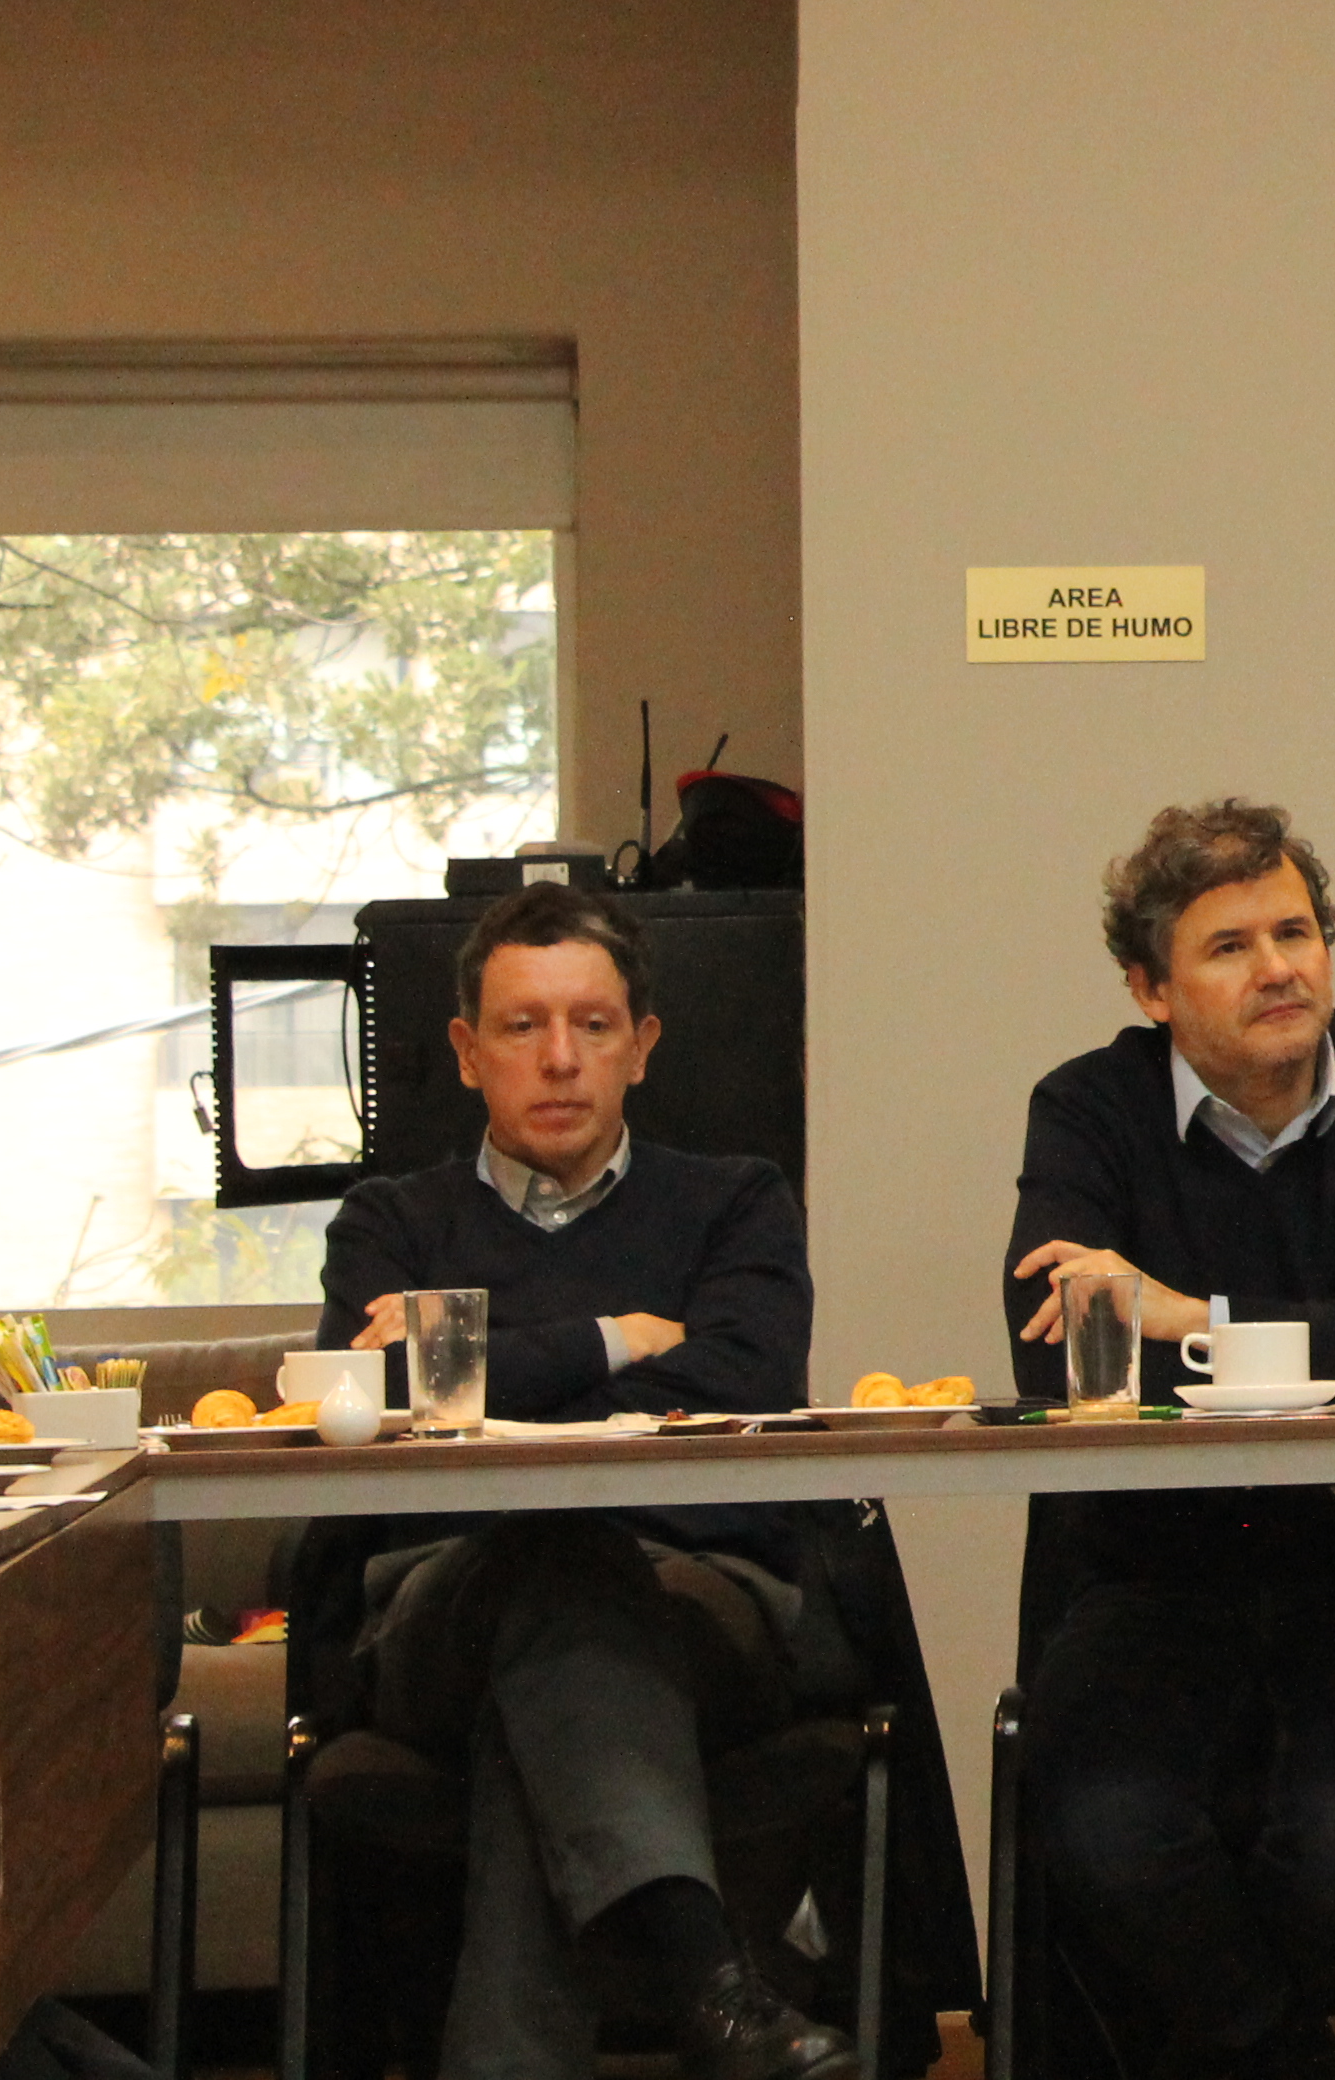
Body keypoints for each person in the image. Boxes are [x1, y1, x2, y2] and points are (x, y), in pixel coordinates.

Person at [1001, 798, 1335, 2080]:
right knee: (1108, 1834)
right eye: (1229, 946)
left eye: (1295, 931)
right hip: (1154, 1571)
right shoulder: (1087, 1107)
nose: (1278, 967)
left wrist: (1187, 1318)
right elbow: (1062, 1359)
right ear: (1151, 988)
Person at [313, 881, 849, 2080]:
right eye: (523, 1025)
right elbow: (374, 1398)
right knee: (555, 1561)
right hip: (437, 1605)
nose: (560, 1057)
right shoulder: (386, 1222)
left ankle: (679, 2010)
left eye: (593, 1024)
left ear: (641, 1045)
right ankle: (717, 1985)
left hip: (701, 1592)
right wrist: (619, 1338)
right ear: (467, 1053)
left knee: (555, 1611)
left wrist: (476, 1364)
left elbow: (745, 1381)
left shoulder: (737, 1202)